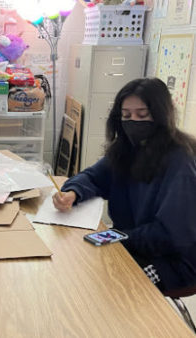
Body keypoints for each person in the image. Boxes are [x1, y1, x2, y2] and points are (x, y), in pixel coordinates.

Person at [53, 78, 196, 292]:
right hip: (133, 243)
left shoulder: (180, 161)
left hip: (171, 261)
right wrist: (73, 192)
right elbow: (93, 176)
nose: (133, 122)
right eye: (126, 115)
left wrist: (119, 238)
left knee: (116, 288)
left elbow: (171, 235)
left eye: (142, 114)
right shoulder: (126, 149)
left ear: (160, 114)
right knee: (80, 272)